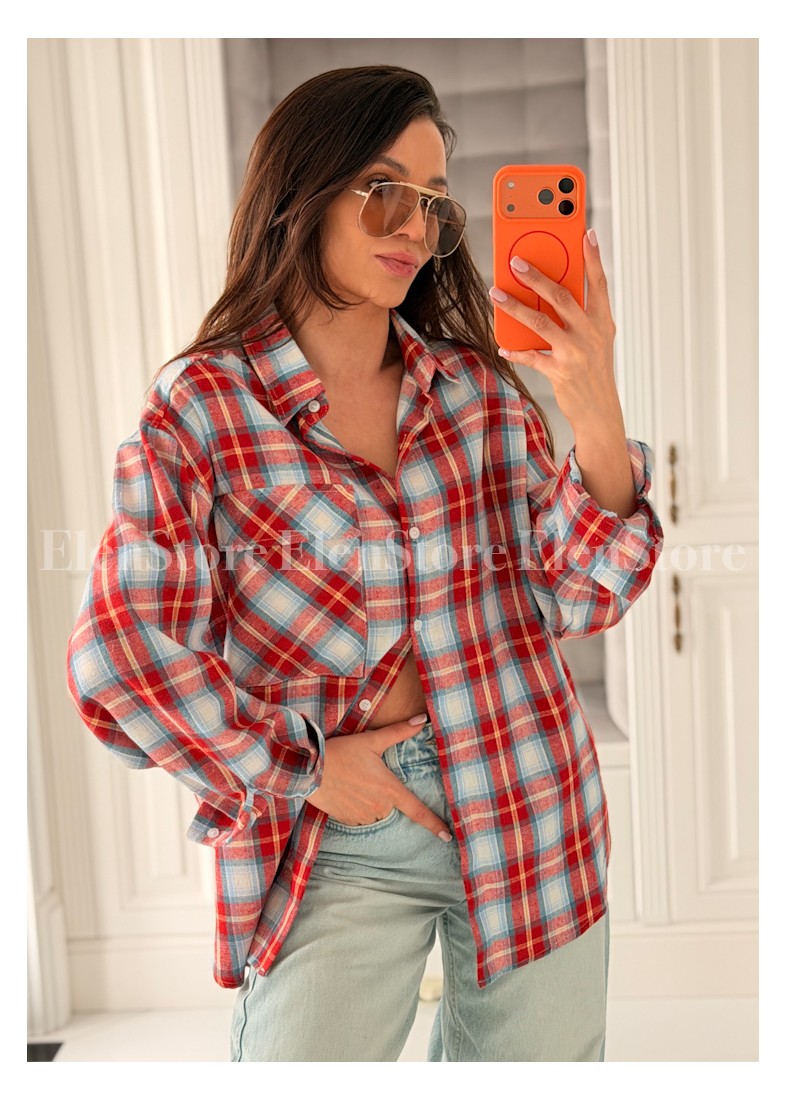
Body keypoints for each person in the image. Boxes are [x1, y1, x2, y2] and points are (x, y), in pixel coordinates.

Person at [65, 64, 664, 1062]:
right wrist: (297, 767)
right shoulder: (206, 407)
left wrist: (594, 403)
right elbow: (120, 656)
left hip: (527, 791)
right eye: (384, 188)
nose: (415, 227)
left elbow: (575, 595)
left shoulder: (475, 391)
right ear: (301, 191)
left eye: (433, 202)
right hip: (339, 832)